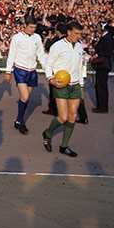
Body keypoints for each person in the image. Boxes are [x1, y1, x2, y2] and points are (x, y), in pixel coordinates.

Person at [42, 21, 84, 158]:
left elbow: (79, 67)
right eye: (76, 33)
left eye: (80, 33)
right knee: (63, 117)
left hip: (75, 85)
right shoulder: (58, 46)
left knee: (72, 117)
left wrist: (81, 86)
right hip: (61, 85)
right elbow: (49, 64)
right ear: (69, 32)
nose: (79, 36)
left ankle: (64, 146)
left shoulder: (79, 47)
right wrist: (50, 79)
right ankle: (48, 133)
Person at [4, 15, 46, 135]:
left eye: (34, 27)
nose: (33, 29)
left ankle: (18, 120)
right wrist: (8, 72)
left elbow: (41, 55)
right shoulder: (17, 38)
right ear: (25, 26)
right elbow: (11, 55)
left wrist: (47, 71)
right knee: (25, 97)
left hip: (32, 71)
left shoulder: (37, 38)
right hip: (20, 70)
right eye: (31, 27)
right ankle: (21, 121)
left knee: (25, 98)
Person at [42, 22, 67, 116]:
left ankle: (54, 108)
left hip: (56, 68)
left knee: (54, 90)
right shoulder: (68, 39)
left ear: (58, 31)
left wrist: (49, 37)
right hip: (66, 68)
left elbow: (47, 47)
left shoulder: (57, 40)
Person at [91, 23, 114, 113]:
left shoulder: (107, 38)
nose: (97, 29)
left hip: (104, 65)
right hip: (102, 65)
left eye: (98, 27)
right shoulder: (105, 37)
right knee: (100, 85)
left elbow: (108, 52)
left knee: (102, 86)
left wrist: (97, 54)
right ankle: (100, 105)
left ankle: (103, 107)